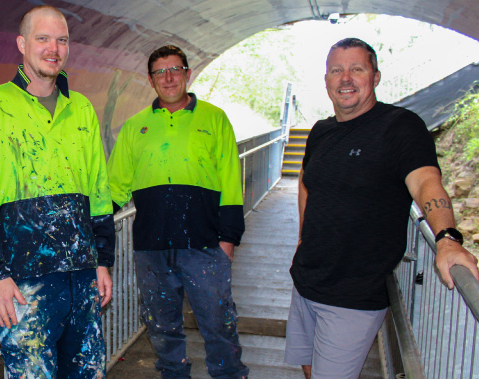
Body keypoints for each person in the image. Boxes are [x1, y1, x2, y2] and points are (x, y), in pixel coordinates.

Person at [285, 37, 479, 379]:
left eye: (356, 69)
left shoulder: (399, 127)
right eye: (336, 71)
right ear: (326, 80)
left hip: (354, 292)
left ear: (375, 77)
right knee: (310, 367)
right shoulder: (321, 131)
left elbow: (425, 183)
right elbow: (305, 182)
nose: (345, 79)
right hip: (306, 279)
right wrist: (303, 237)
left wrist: (447, 238)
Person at [0, 5, 115, 379]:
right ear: (21, 43)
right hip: (23, 281)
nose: (53, 48)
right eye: (43, 38)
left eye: (61, 40)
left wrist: (102, 259)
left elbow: (98, 189)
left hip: (82, 277)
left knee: (88, 372)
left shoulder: (81, 109)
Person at [107, 45, 249, 379]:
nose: (168, 77)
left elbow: (230, 180)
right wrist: (86, 223)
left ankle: (229, 373)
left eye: (175, 69)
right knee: (160, 323)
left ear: (187, 73)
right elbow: (114, 187)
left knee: (217, 320)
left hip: (205, 244)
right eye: (160, 72)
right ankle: (174, 373)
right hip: (151, 246)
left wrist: (229, 238)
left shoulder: (214, 119)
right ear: (151, 80)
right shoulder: (135, 127)